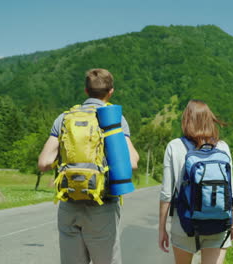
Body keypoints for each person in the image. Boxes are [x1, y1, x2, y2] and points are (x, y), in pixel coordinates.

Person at [38, 68, 139, 264]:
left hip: (69, 206)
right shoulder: (113, 118)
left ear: (85, 91)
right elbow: (131, 162)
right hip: (103, 206)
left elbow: (43, 162)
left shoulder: (65, 118)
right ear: (111, 92)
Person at [158, 99, 233, 264]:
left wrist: (162, 228)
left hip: (184, 224)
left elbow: (166, 194)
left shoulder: (174, 146)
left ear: (186, 120)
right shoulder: (223, 147)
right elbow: (231, 191)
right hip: (218, 222)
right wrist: (232, 224)